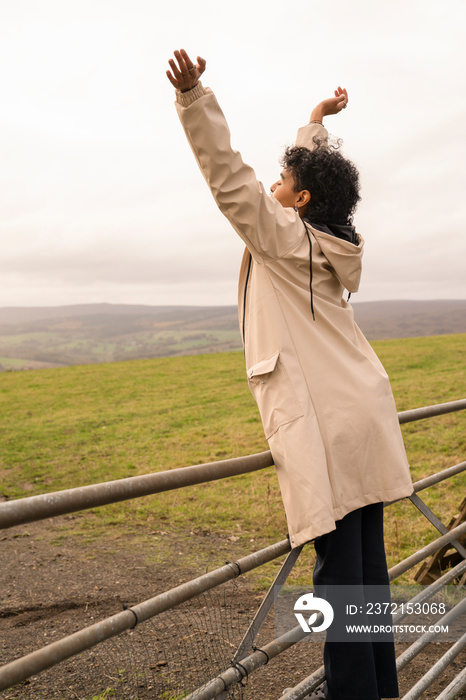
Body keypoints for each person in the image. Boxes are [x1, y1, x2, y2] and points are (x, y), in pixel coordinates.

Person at [166, 49, 414, 700]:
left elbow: (229, 180)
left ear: (298, 202)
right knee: (366, 581)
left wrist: (195, 98)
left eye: (283, 184)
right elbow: (313, 179)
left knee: (339, 594)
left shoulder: (282, 239)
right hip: (362, 420)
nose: (273, 190)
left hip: (331, 434)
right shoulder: (327, 240)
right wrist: (314, 122)